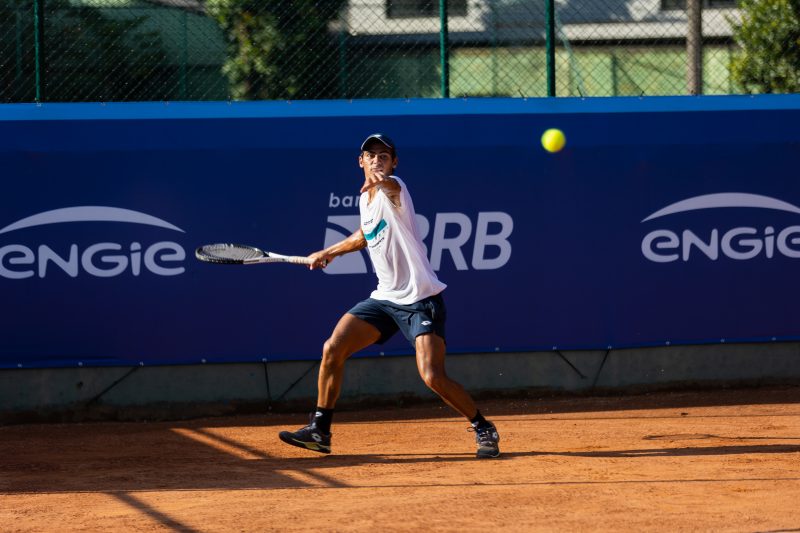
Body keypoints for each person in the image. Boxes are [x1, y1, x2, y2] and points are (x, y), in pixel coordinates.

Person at [278, 133, 500, 459]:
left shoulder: (396, 188)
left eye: (384, 156)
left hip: (420, 297)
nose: (377, 160)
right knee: (333, 349)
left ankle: (482, 426)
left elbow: (391, 190)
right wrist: (330, 251)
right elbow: (365, 234)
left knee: (432, 376)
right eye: (371, 155)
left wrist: (384, 183)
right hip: (385, 298)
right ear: (361, 161)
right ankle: (320, 431)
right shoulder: (363, 199)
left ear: (393, 162)